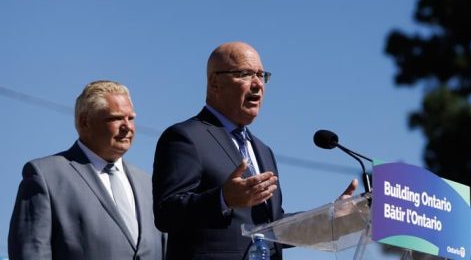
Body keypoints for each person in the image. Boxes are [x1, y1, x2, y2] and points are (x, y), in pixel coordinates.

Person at [152, 41, 357, 260]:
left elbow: (275, 227)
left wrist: (329, 219)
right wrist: (223, 199)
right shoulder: (186, 137)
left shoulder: (263, 150)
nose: (258, 84)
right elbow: (167, 213)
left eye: (261, 75)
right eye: (245, 74)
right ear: (214, 83)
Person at [8, 80, 166, 260]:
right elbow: (31, 253)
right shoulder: (46, 176)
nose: (127, 127)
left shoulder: (149, 185)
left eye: (131, 118)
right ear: (85, 122)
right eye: (115, 118)